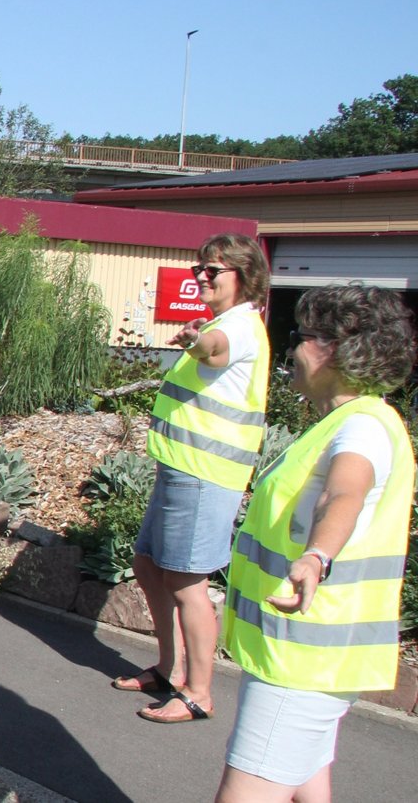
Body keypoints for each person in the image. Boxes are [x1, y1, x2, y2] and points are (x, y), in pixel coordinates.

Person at [215, 284, 415, 801]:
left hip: (301, 663)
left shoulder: (363, 428)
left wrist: (315, 556)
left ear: (336, 349)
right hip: (313, 658)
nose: (291, 351)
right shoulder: (356, 421)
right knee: (307, 785)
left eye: (298, 338)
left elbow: (344, 494)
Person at [116, 233, 271, 723]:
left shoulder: (240, 328)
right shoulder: (226, 322)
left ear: (243, 278)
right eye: (198, 269)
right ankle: (169, 668)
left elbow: (215, 349)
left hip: (205, 476)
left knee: (186, 582)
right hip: (181, 471)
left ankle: (200, 692)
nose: (201, 277)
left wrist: (195, 340)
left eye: (214, 271)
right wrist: (200, 336)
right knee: (148, 567)